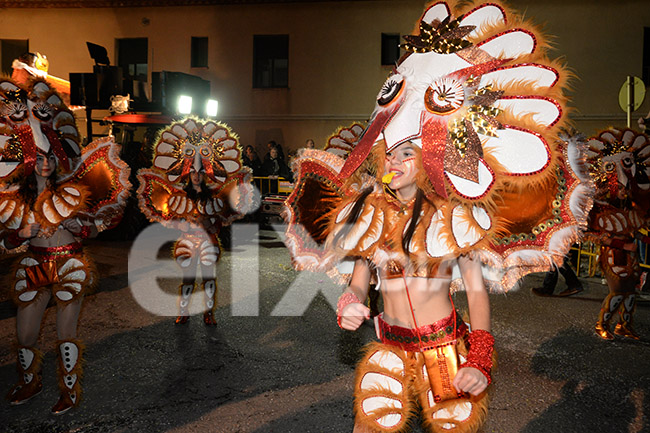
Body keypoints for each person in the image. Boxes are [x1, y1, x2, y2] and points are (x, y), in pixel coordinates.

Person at [283, 1, 592, 431]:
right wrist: (350, 304)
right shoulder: (367, 216)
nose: (394, 163)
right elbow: (358, 282)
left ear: (429, 157)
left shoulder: (452, 219)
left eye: (406, 153)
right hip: (388, 347)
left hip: (445, 349)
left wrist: (480, 360)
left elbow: (476, 294)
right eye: (389, 153)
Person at [0, 78, 131, 415]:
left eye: (50, 155)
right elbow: (5, 239)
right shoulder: (16, 197)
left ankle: (69, 390)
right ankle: (30, 380)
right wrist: (20, 234)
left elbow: (98, 226)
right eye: (39, 156)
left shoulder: (75, 193)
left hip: (69, 262)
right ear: (29, 158)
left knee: (65, 334)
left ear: (58, 157)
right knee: (25, 334)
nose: (45, 162)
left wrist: (78, 226)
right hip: (34, 263)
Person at [137, 118, 255, 325]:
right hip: (187, 243)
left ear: (206, 175)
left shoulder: (214, 198)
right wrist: (182, 224)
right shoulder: (179, 196)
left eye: (200, 172)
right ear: (187, 173)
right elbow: (170, 219)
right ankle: (184, 311)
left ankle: (209, 313)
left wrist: (213, 225)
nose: (196, 176)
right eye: (192, 172)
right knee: (188, 279)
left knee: (209, 279)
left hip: (209, 241)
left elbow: (222, 219)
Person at [586, 127, 650, 340]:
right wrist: (624, 246)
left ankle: (624, 326)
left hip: (631, 256)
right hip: (613, 254)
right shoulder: (599, 208)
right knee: (617, 293)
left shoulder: (630, 206)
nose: (623, 186)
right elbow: (594, 235)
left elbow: (634, 229)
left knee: (631, 294)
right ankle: (601, 325)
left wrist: (643, 239)